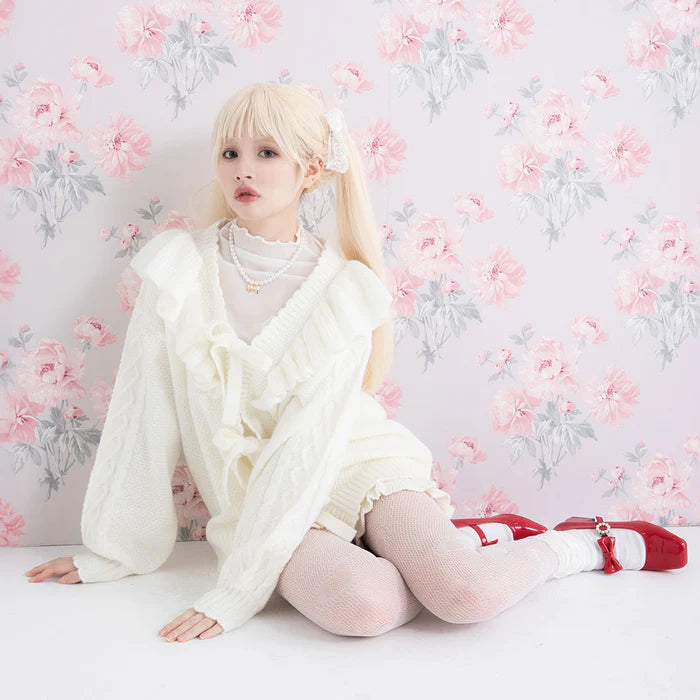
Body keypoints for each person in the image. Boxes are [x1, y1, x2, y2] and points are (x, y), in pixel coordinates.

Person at [24, 82, 688, 643]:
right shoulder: (178, 269)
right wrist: (115, 549)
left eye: (266, 153)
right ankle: (469, 541)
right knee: (362, 609)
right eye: (230, 153)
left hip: (353, 458)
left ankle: (579, 544)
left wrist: (238, 592)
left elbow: (311, 436)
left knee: (461, 596)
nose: (243, 170)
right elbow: (145, 409)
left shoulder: (343, 288)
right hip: (259, 493)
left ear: (311, 172)